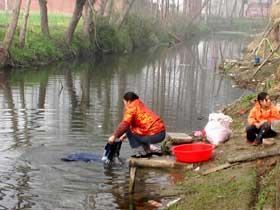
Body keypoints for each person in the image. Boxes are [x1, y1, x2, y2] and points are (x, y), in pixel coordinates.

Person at [108, 92, 166, 157]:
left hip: (154, 135)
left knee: (128, 131)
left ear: (128, 101)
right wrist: (124, 135)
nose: (124, 105)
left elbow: (125, 124)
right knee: (130, 131)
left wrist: (114, 136)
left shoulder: (131, 107)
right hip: (161, 133)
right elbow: (139, 125)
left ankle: (142, 154)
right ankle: (148, 152)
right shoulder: (139, 104)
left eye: (124, 102)